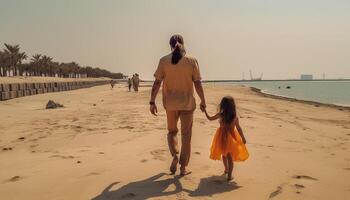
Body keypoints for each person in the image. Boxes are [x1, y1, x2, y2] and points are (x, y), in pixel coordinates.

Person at [150, 34, 206, 176]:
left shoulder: (163, 61)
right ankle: (183, 168)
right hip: (187, 104)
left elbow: (157, 83)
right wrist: (203, 100)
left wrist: (152, 101)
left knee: (172, 132)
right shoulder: (192, 61)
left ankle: (175, 154)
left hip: (170, 104)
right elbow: (197, 83)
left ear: (170, 45)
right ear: (183, 43)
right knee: (186, 136)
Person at [204, 96, 249, 181]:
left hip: (222, 137)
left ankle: (227, 170)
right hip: (232, 138)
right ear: (233, 106)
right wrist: (243, 138)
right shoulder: (235, 117)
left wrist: (205, 111)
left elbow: (210, 118)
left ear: (222, 106)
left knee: (224, 154)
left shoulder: (221, 115)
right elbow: (239, 128)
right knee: (229, 157)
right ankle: (229, 174)